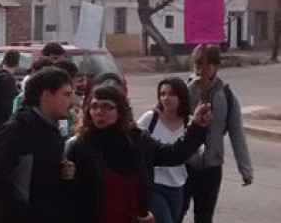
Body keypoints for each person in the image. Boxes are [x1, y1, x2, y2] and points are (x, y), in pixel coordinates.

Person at [65, 85, 211, 223]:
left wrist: (197, 127)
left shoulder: (138, 140)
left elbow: (173, 154)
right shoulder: (79, 146)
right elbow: (67, 197)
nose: (99, 112)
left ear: (121, 110)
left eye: (107, 106)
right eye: (94, 106)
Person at [0, 67, 75, 222]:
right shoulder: (17, 131)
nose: (71, 102)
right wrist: (22, 216)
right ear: (47, 95)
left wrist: (64, 173)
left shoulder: (53, 130)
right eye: (67, 94)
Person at [180, 44, 253, 223]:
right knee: (177, 212)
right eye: (197, 65)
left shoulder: (227, 96)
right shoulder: (183, 91)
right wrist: (191, 87)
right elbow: (173, 120)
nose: (201, 70)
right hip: (184, 165)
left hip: (211, 166)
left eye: (206, 65)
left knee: (204, 217)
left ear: (217, 67)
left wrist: (245, 169)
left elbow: (237, 133)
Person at [137, 78, 192, 223]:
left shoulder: (189, 122)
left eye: (172, 94)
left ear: (181, 96)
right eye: (162, 94)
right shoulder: (150, 118)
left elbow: (196, 150)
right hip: (154, 185)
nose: (166, 98)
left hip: (177, 186)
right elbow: (134, 142)